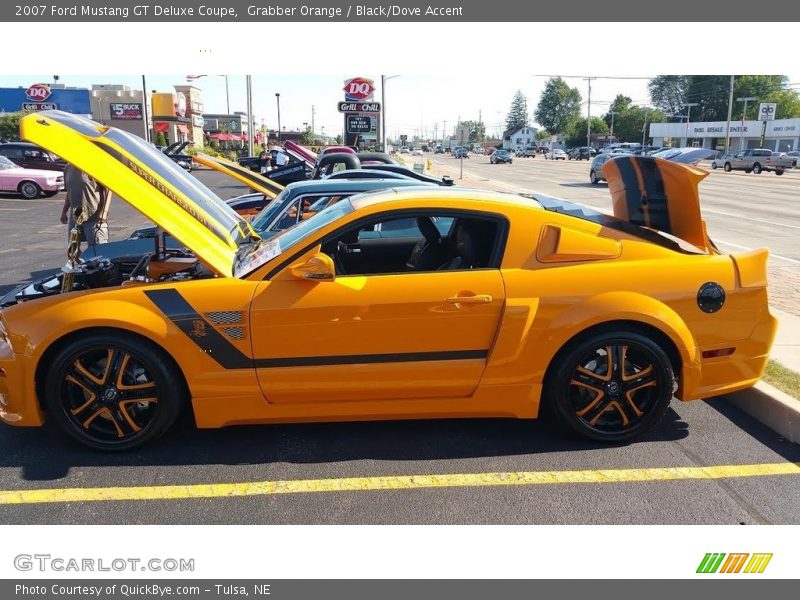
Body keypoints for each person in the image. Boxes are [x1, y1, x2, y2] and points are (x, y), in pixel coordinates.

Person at [59, 163, 110, 246]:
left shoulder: (93, 167)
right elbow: (69, 191)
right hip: (76, 214)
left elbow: (107, 190)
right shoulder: (68, 168)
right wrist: (64, 212)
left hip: (94, 215)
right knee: (72, 249)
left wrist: (104, 213)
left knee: (96, 250)